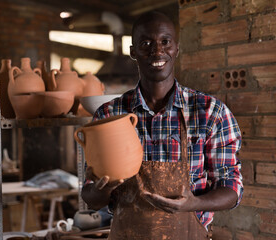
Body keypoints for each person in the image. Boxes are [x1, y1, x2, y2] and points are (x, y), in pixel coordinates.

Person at [81, 11, 243, 240]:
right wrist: (103, 188)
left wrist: (193, 203)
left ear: (176, 48)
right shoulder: (110, 114)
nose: (157, 51)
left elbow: (232, 189)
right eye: (145, 43)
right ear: (133, 52)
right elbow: (89, 197)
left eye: (165, 42)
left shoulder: (210, 112)